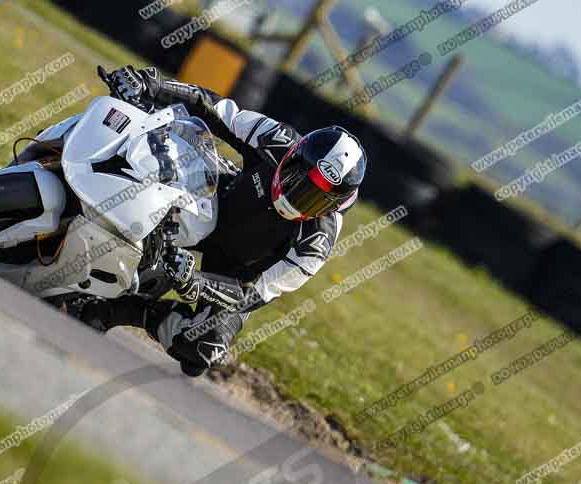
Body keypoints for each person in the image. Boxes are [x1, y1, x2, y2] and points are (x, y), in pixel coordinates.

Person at [80, 65, 367, 377]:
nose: (297, 196)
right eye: (298, 178)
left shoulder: (316, 243)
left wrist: (196, 282)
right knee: (155, 165)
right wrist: (152, 84)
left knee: (204, 348)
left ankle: (119, 310)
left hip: (234, 272)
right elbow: (213, 107)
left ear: (334, 207)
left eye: (314, 198)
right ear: (293, 156)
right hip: (217, 199)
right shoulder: (276, 139)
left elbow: (252, 294)